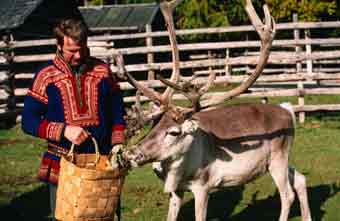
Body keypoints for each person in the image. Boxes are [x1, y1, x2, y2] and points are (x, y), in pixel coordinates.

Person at [21, 18, 126, 220]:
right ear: (59, 45)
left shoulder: (103, 71)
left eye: (82, 48)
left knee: (104, 216)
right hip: (63, 165)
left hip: (103, 164)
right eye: (72, 51)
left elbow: (117, 112)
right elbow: (29, 121)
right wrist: (63, 130)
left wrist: (118, 143)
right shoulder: (46, 77)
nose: (78, 55)